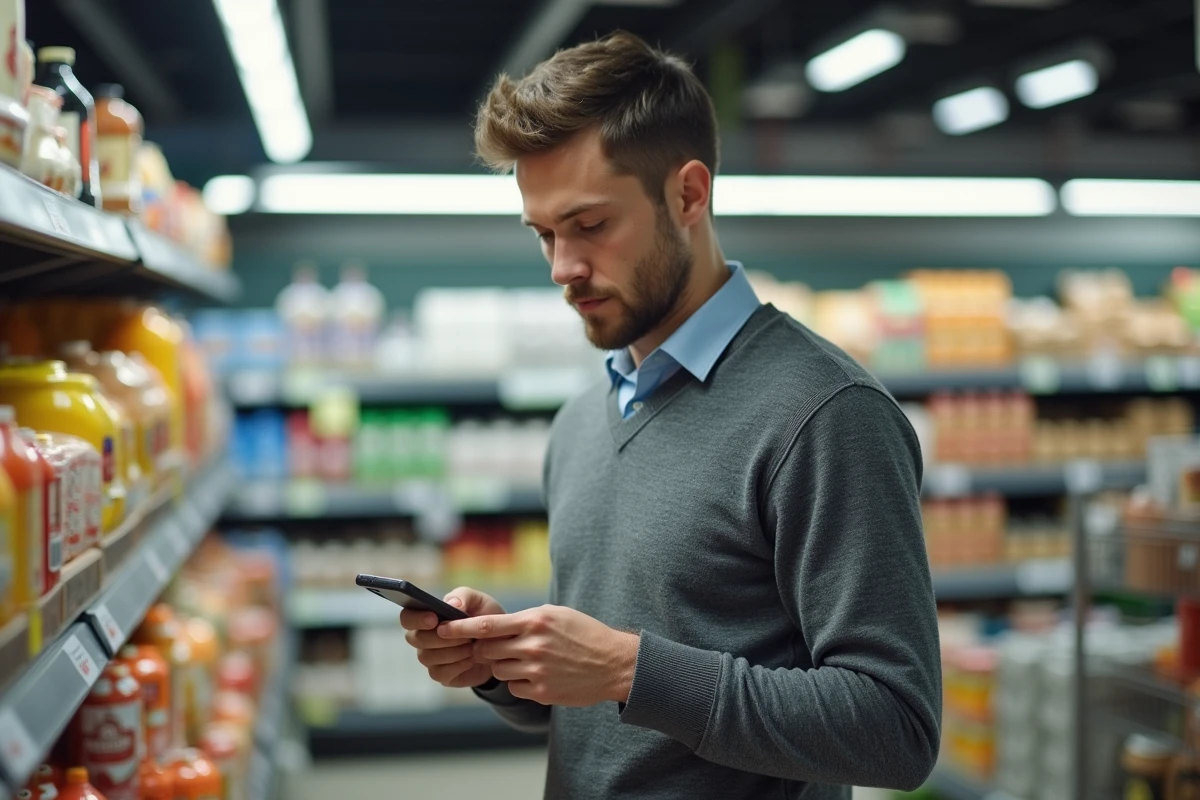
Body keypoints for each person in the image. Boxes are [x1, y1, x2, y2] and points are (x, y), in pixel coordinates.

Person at [399, 30, 941, 800]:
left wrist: (628, 668)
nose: (562, 268)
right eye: (544, 234)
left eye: (590, 225)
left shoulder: (826, 416)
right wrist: (504, 664)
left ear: (689, 195)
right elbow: (608, 715)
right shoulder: (580, 424)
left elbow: (896, 729)